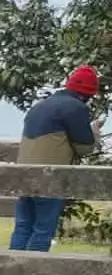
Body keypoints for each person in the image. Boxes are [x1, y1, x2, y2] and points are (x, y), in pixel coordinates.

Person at [11, 66, 102, 252]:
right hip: (49, 178)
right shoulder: (76, 108)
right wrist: (94, 132)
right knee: (43, 230)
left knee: (23, 226)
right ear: (88, 94)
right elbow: (84, 147)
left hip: (23, 175)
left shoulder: (41, 105)